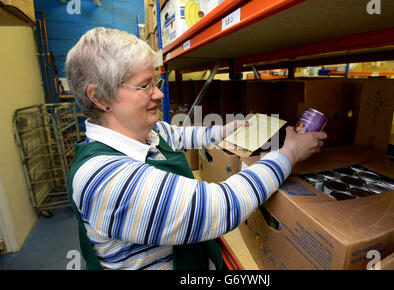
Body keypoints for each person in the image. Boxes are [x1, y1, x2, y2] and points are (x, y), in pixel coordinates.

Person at [65, 27, 327, 270]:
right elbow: (219, 207)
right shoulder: (105, 179)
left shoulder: (145, 133)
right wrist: (289, 154)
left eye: (156, 83)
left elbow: (180, 135)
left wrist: (225, 130)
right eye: (145, 85)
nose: (158, 94)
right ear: (100, 97)